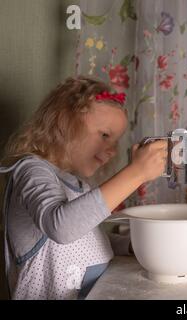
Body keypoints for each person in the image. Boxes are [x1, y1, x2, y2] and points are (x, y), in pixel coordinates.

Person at [0, 76, 167, 299]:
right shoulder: (32, 170)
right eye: (104, 135)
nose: (112, 150)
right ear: (63, 122)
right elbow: (62, 227)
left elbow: (87, 239)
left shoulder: (77, 184)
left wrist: (132, 245)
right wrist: (136, 173)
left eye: (115, 141)